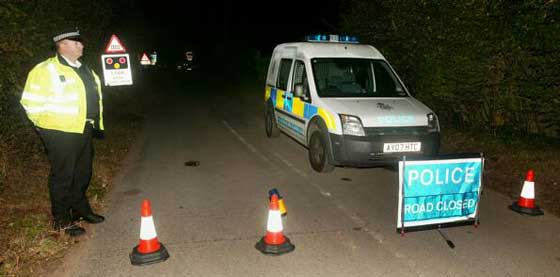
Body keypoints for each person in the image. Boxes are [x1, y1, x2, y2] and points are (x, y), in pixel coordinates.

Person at [20, 28, 105, 236]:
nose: (82, 45)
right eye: (77, 43)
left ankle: (79, 209)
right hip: (59, 132)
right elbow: (29, 102)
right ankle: (61, 219)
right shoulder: (45, 70)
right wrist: (44, 128)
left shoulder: (84, 69)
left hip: (84, 128)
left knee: (83, 172)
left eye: (81, 43)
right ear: (63, 44)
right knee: (63, 176)